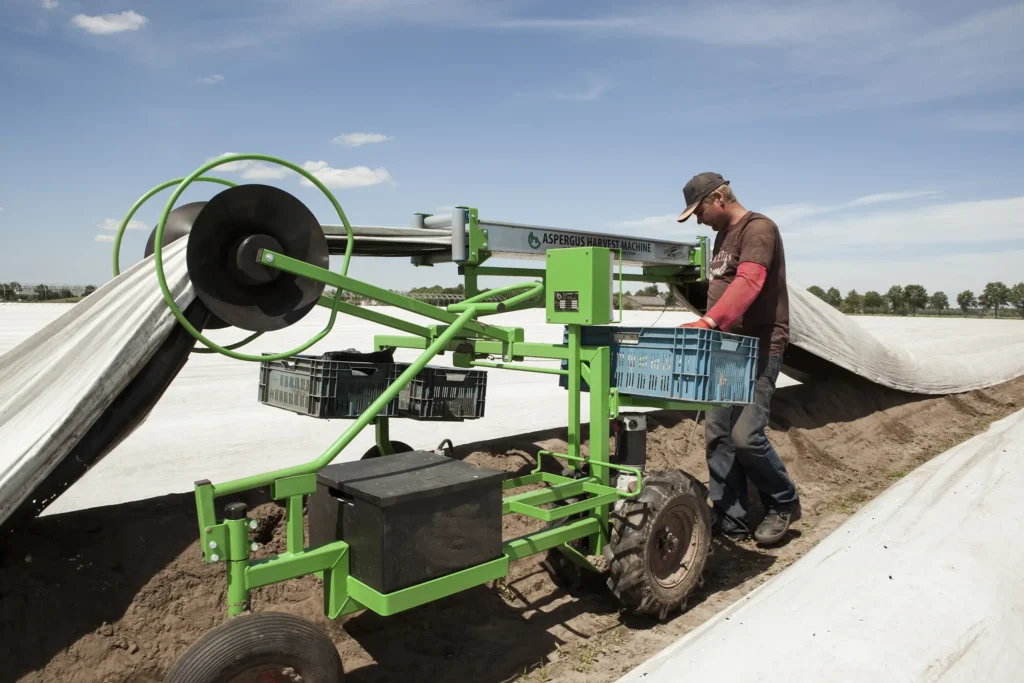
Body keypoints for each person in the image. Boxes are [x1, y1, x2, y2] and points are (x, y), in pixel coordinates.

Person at [675, 172, 800, 545]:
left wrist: (708, 321)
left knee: (745, 436)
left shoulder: (758, 229)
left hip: (759, 347)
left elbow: (749, 281)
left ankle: (783, 502)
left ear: (718, 198)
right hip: (726, 348)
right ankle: (732, 519)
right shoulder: (721, 236)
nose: (699, 220)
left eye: (699, 212)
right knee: (718, 434)